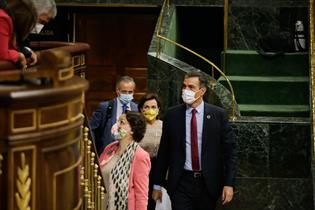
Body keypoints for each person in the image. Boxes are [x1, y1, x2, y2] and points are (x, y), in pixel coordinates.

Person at [152, 70, 236, 210]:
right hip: (181, 182)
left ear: (202, 91)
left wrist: (229, 184)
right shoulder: (172, 115)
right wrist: (157, 185)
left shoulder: (218, 115)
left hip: (208, 182)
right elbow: (164, 152)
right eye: (184, 86)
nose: (186, 90)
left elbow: (229, 153)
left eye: (191, 87)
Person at [99, 111, 151, 210]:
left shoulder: (140, 156)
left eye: (121, 122)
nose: (116, 125)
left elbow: (141, 194)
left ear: (132, 130)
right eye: (117, 121)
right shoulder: (109, 148)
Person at [90, 76, 138, 155]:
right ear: (117, 91)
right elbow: (92, 130)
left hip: (128, 154)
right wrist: (94, 150)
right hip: (107, 153)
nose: (127, 94)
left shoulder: (136, 109)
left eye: (130, 92)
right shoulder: (105, 107)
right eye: (124, 92)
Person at [138, 93, 163, 210]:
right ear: (141, 109)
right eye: (146, 107)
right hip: (140, 168)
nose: (150, 110)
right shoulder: (136, 127)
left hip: (159, 168)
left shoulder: (164, 126)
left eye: (153, 107)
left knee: (157, 200)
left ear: (158, 109)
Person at [0, 0, 37, 68]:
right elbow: (2, 54)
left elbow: (10, 47)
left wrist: (28, 52)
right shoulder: (3, 19)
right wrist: (19, 56)